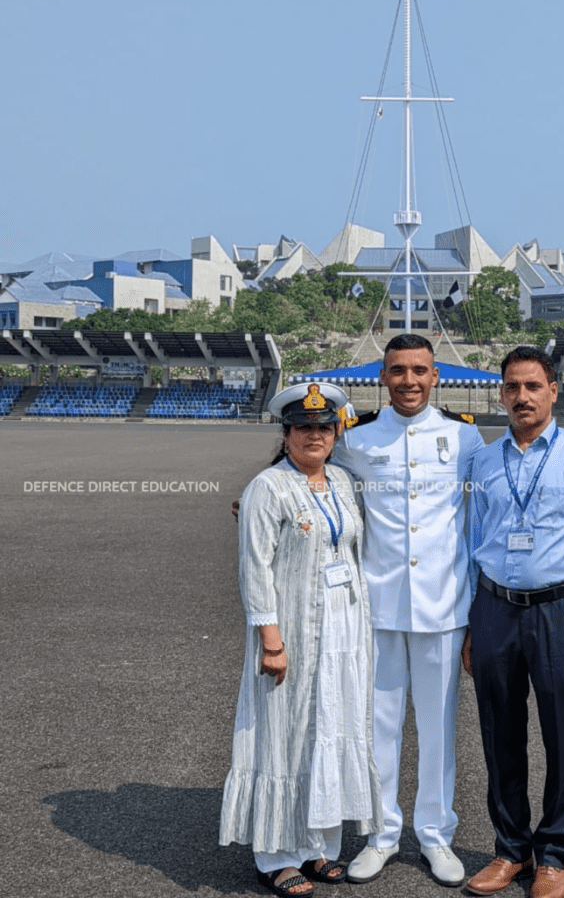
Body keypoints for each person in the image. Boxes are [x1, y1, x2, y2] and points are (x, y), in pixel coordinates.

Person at [463, 346, 564, 898]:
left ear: (554, 391)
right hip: (493, 608)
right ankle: (511, 850)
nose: (522, 396)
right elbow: (470, 544)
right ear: (501, 394)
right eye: (512, 387)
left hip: (561, 610)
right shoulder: (484, 462)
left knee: (562, 736)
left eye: (533, 386)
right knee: (499, 734)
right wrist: (469, 623)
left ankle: (553, 854)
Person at [333, 334, 485, 888]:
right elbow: (312, 475)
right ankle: (381, 834)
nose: (409, 381)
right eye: (398, 371)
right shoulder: (359, 439)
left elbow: (480, 518)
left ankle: (436, 835)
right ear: (383, 376)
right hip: (377, 604)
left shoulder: (464, 438)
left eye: (420, 370)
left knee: (439, 727)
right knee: (380, 727)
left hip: (444, 605)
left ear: (436, 374)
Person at [219, 382, 382, 898]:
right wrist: (271, 639)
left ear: (336, 433)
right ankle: (276, 856)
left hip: (342, 631)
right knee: (284, 734)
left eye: (323, 427)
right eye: (303, 427)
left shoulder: (341, 480)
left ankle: (318, 845)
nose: (314, 435)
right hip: (290, 630)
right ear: (286, 434)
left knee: (329, 728)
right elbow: (255, 569)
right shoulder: (268, 487)